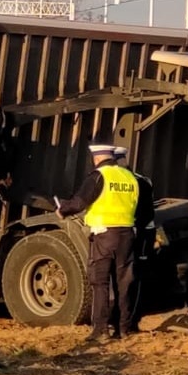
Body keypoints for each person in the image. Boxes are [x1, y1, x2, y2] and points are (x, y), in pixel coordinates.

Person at [55, 143, 139, 342]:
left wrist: (62, 210)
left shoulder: (99, 176)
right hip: (127, 234)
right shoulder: (129, 177)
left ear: (96, 159)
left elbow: (79, 203)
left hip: (104, 235)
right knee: (123, 283)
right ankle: (123, 329)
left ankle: (101, 330)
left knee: (100, 282)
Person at [113, 146, 155, 332]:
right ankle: (128, 321)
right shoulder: (140, 180)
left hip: (135, 233)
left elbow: (145, 212)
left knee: (131, 276)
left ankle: (128, 321)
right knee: (130, 277)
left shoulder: (135, 181)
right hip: (136, 232)